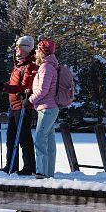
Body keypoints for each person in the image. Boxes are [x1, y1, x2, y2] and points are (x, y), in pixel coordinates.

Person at [0, 35, 38, 175]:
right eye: (16, 47)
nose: (16, 49)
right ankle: (11, 165)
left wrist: (6, 88)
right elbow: (14, 85)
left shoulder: (30, 66)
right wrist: (1, 87)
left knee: (24, 138)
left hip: (24, 107)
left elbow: (25, 87)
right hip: (14, 107)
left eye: (19, 47)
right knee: (11, 138)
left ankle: (29, 167)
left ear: (26, 49)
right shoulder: (18, 66)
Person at [28, 39, 60, 179]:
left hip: (47, 109)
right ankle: (48, 173)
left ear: (42, 51)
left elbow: (43, 90)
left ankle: (42, 172)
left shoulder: (46, 67)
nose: (35, 52)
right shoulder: (49, 66)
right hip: (50, 108)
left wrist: (29, 100)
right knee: (49, 141)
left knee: (40, 139)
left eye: (37, 50)